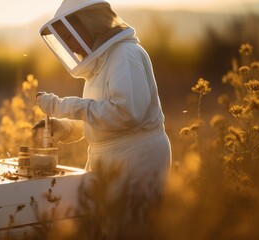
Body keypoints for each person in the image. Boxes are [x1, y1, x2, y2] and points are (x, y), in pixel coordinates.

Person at [33, 0, 172, 238]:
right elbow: (100, 117)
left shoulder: (124, 55)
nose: (68, 44)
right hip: (110, 157)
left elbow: (125, 115)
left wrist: (62, 106)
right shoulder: (100, 64)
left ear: (89, 24)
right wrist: (63, 127)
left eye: (70, 35)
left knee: (129, 231)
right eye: (63, 38)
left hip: (135, 157)